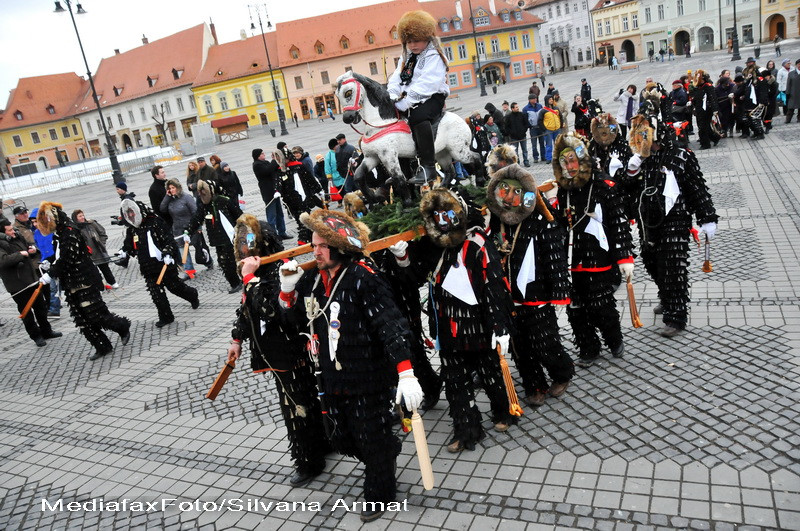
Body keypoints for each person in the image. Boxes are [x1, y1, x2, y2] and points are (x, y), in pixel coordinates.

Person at [277, 209, 424, 522]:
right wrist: (287, 291)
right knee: (341, 437)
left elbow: (391, 325)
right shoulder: (313, 281)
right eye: (312, 245)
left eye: (320, 246)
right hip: (330, 379)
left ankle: (380, 492)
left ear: (338, 247)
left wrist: (406, 373)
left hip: (367, 376)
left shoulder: (364, 278)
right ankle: (384, 451)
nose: (313, 251)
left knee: (370, 437)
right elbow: (293, 324)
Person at [409, 187, 517, 450]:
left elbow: (494, 287)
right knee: (455, 380)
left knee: (490, 372)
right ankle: (466, 429)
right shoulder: (431, 247)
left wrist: (499, 325)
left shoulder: (478, 244)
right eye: (437, 217)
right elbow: (415, 277)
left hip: (479, 325)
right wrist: (403, 258)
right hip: (448, 326)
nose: (443, 222)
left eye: (448, 215)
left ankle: (504, 411)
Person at [230, 214, 329, 488]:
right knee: (302, 402)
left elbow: (270, 309)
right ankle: (320, 445)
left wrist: (249, 278)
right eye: (240, 242)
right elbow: (247, 308)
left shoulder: (279, 269)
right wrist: (237, 340)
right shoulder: (258, 272)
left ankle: (309, 460)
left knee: (297, 407)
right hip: (275, 352)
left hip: (290, 350)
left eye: (248, 241)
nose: (243, 248)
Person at [484, 146, 573, 406]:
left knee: (544, 340)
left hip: (537, 291)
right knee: (520, 347)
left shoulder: (540, 219)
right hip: (510, 295)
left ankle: (561, 372)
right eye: (504, 192)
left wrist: (559, 289)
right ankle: (534, 384)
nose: (509, 197)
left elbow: (554, 254)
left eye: (514, 192)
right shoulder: (498, 221)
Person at [623, 114, 718, 338]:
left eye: (645, 135)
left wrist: (707, 217)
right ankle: (666, 298)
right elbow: (625, 189)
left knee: (672, 266)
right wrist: (630, 171)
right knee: (651, 261)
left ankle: (676, 316)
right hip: (648, 220)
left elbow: (697, 188)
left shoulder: (681, 156)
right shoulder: (640, 158)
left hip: (675, 219)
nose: (642, 141)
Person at [551, 133, 633, 366]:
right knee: (575, 308)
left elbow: (619, 222)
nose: (569, 166)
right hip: (571, 258)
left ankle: (614, 338)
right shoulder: (564, 189)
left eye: (573, 160)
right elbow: (560, 222)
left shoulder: (603, 185)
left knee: (601, 304)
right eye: (564, 162)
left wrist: (624, 256)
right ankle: (588, 347)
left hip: (598, 257)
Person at [35, 201, 130, 360]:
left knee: (96, 314)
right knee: (82, 319)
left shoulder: (70, 232)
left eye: (48, 219)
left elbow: (67, 259)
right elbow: (59, 255)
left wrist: (50, 273)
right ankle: (102, 346)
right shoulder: (59, 234)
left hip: (85, 280)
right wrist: (49, 262)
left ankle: (122, 327)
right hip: (71, 283)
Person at [387, 9, 450, 185]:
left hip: (433, 96)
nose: (412, 45)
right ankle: (401, 170)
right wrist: (392, 95)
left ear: (427, 37)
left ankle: (429, 167)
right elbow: (396, 77)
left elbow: (428, 83)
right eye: (409, 41)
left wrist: (406, 102)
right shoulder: (406, 56)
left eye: (416, 41)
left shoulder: (434, 55)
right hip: (405, 99)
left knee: (418, 116)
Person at [120, 199, 199, 327]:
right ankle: (166, 316)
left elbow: (168, 240)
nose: (130, 216)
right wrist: (124, 251)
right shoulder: (133, 229)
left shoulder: (155, 222)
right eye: (128, 214)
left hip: (163, 264)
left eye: (132, 213)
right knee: (156, 293)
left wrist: (168, 252)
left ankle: (192, 295)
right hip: (147, 267)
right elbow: (129, 244)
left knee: (175, 287)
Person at [0, 218, 61, 347]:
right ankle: (36, 336)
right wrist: (22, 254)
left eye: (12, 228)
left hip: (31, 279)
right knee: (26, 311)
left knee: (41, 307)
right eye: (9, 230)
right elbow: (3, 261)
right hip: (17, 284)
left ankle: (47, 331)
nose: (12, 231)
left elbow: (28, 248)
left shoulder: (17, 236)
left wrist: (32, 250)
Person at [185, 180, 243, 293]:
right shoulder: (203, 205)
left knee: (229, 261)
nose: (202, 196)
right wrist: (188, 231)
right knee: (223, 262)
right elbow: (197, 218)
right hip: (216, 240)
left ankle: (236, 282)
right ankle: (235, 281)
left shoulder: (224, 201)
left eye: (204, 193)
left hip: (229, 237)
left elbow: (239, 215)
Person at [160, 178, 203, 279]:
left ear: (178, 187)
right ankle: (189, 271)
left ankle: (207, 261)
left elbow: (195, 212)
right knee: (183, 250)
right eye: (169, 188)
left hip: (190, 227)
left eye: (173, 187)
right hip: (178, 229)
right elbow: (162, 208)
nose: (171, 190)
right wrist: (167, 196)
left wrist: (198, 226)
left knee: (198, 248)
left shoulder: (186, 197)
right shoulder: (170, 199)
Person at [71, 210, 117, 288]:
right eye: (80, 216)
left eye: (83, 215)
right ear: (75, 218)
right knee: (92, 271)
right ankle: (99, 285)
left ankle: (112, 282)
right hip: (87, 254)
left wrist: (101, 243)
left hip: (98, 251)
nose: (82, 217)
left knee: (105, 268)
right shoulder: (74, 229)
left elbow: (102, 233)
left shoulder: (91, 224)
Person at [30, 208, 62, 318]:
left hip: (57, 261)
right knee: (53, 286)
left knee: (56, 285)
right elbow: (40, 247)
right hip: (47, 263)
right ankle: (54, 308)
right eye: (33, 222)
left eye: (36, 221)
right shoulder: (37, 233)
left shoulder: (52, 230)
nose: (34, 224)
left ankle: (54, 308)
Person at [253, 148, 289, 239]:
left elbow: (274, 170)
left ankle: (282, 232)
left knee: (279, 213)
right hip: (268, 193)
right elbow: (268, 170)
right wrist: (274, 160)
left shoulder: (266, 162)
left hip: (275, 191)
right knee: (271, 215)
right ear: (257, 156)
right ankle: (273, 234)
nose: (264, 154)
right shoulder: (257, 165)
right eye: (262, 153)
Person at [688, 70, 720, 149]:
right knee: (704, 126)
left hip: (706, 109)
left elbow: (713, 98)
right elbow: (695, 98)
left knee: (703, 127)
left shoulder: (708, 86)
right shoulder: (697, 87)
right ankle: (715, 138)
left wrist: (715, 110)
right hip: (699, 110)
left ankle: (705, 144)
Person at [504, 102, 530, 166]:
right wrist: (511, 133)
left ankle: (526, 161)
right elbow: (506, 127)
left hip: (522, 136)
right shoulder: (509, 117)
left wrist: (524, 130)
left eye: (517, 107)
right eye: (516, 107)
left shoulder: (522, 114)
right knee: (515, 151)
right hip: (514, 137)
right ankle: (517, 162)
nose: (518, 108)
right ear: (512, 109)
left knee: (525, 150)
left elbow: (526, 124)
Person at [522, 94, 543, 162]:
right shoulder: (525, 109)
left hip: (540, 127)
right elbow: (525, 120)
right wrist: (529, 126)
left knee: (542, 143)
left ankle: (543, 156)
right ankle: (535, 157)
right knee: (534, 144)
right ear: (530, 100)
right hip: (533, 128)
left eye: (535, 98)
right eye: (534, 99)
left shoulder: (539, 106)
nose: (535, 100)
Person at [715, 71, 736, 137]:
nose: (728, 85)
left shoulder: (732, 86)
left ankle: (731, 129)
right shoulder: (717, 89)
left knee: (731, 118)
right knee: (723, 119)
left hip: (731, 105)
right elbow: (717, 98)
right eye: (726, 84)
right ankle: (724, 130)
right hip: (722, 106)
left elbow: (735, 93)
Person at [786, 59, 800, 123]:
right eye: (799, 64)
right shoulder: (791, 74)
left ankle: (799, 119)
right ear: (796, 65)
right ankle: (788, 120)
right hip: (793, 93)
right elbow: (788, 84)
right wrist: (787, 93)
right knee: (791, 108)